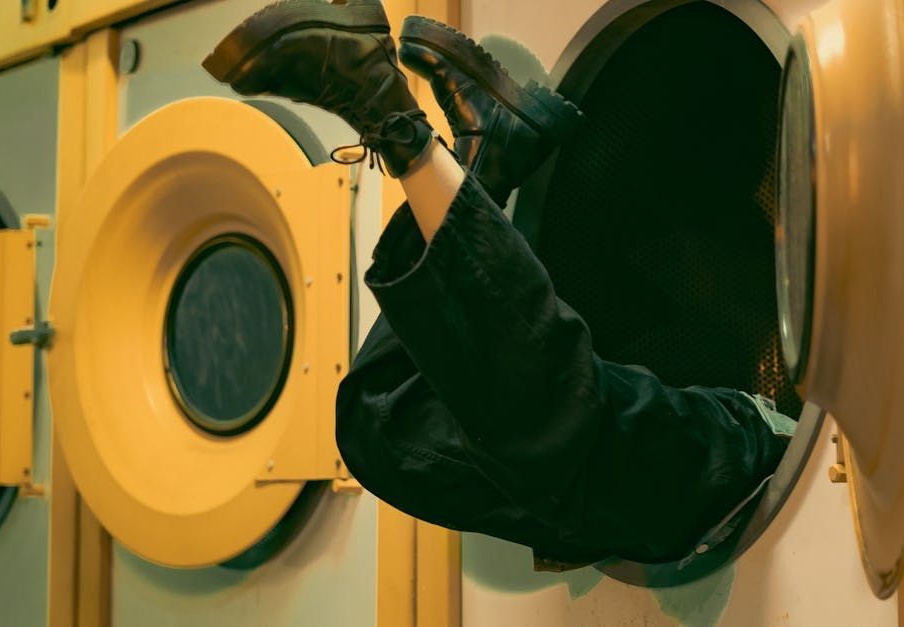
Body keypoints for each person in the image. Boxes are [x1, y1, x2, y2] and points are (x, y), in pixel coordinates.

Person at [204, 0, 794, 569]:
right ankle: (427, 138)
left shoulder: (737, 294)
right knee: (398, 427)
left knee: (417, 427)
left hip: (710, 467)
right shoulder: (684, 289)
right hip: (730, 450)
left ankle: (447, 146)